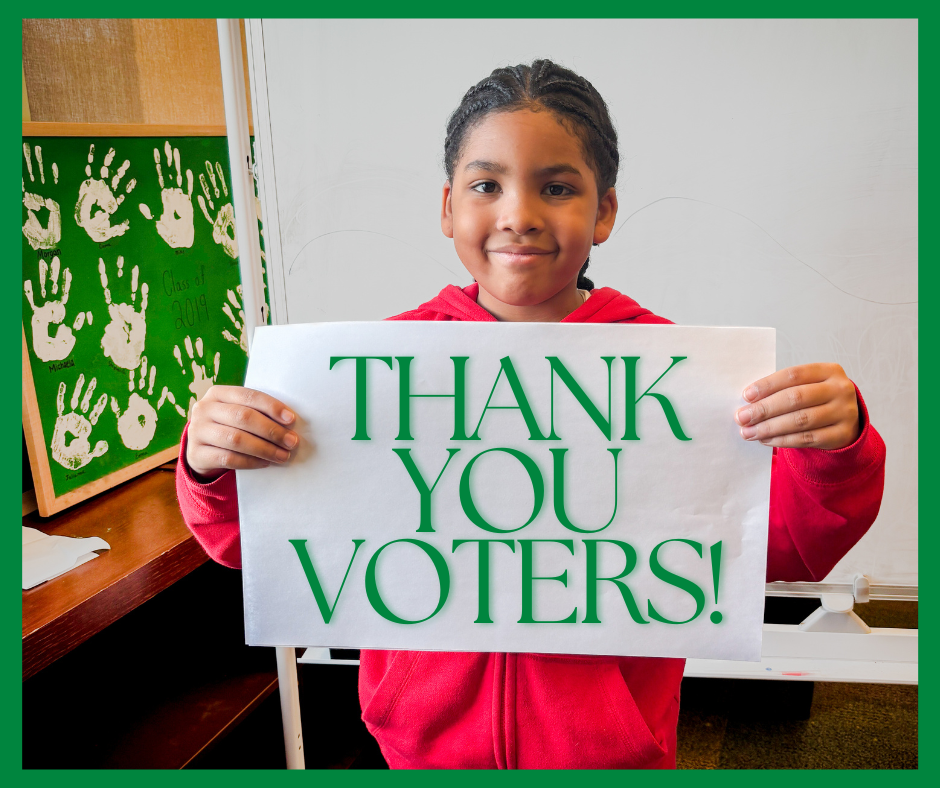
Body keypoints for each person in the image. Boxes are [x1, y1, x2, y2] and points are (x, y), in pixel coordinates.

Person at [177, 60, 886, 769]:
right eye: (487, 185)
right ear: (449, 206)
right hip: (420, 751)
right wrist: (211, 462)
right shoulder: (365, 374)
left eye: (556, 187)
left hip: (612, 758)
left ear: (603, 211)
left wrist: (837, 446)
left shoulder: (685, 379)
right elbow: (256, 546)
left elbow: (788, 550)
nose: (518, 213)